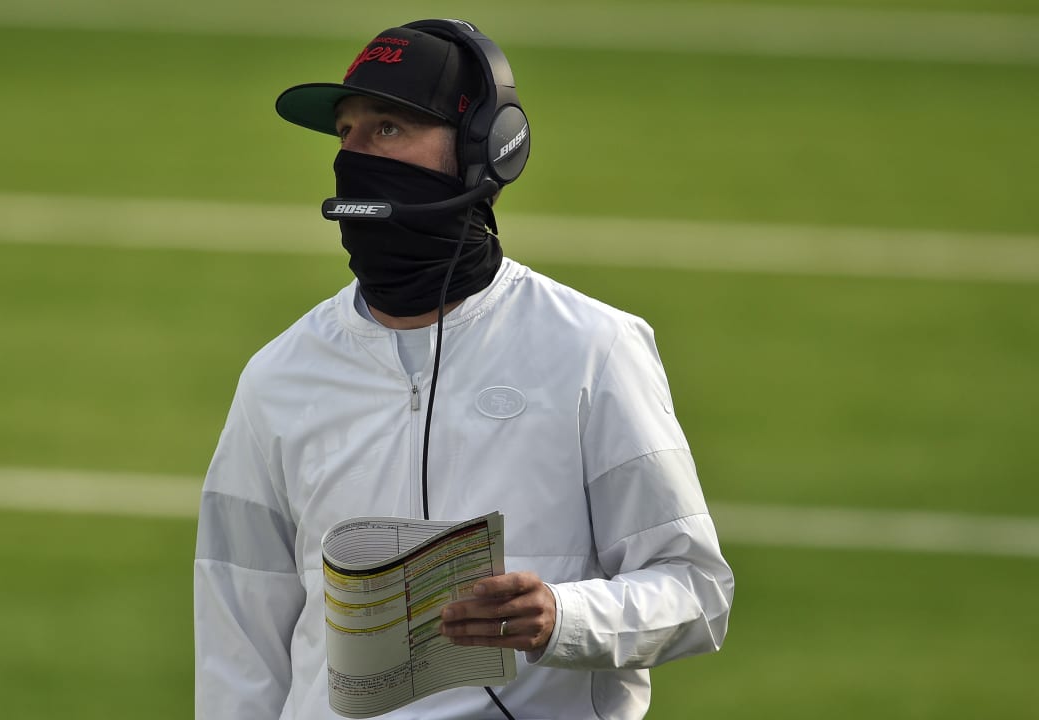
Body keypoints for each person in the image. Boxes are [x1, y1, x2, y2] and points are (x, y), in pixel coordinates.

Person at [194, 18, 734, 720]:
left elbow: (694, 589)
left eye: (387, 129)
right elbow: (238, 635)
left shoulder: (594, 350)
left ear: (485, 151)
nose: (354, 156)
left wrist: (562, 618)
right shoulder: (278, 376)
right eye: (345, 133)